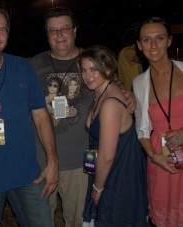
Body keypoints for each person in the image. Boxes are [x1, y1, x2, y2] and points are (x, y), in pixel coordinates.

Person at [29, 7, 137, 227]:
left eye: (64, 29)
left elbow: (113, 87)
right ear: (47, 34)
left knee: (79, 222)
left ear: (75, 30)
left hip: (80, 165)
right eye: (53, 30)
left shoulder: (92, 61)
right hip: (40, 163)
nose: (59, 35)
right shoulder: (31, 65)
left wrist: (129, 93)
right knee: (39, 221)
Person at [0, 7, 59, 227]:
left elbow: (41, 116)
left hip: (27, 176)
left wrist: (52, 161)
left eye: (2, 30)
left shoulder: (23, 67)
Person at [78, 45, 147, 227]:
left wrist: (98, 188)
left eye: (94, 69)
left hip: (117, 176)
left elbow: (107, 156)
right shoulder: (99, 94)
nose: (88, 75)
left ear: (107, 69)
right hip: (107, 173)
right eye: (84, 70)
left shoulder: (109, 103)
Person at [133, 16, 183, 227]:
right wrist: (154, 157)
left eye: (159, 38)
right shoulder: (139, 82)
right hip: (161, 160)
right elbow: (142, 130)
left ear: (169, 41)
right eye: (146, 40)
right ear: (139, 45)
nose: (153, 46)